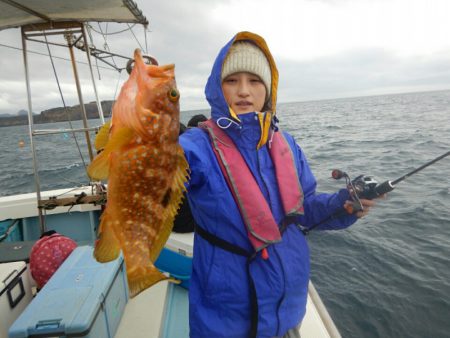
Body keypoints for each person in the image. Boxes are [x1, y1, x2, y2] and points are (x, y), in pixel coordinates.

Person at [179, 31, 378, 338]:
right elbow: (168, 170)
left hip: (289, 306)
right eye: (232, 80)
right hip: (226, 318)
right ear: (217, 87)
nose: (244, 90)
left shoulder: (287, 144)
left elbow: (306, 208)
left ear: (268, 89)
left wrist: (344, 204)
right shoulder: (195, 146)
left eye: (255, 81)